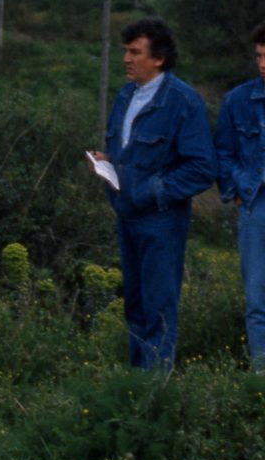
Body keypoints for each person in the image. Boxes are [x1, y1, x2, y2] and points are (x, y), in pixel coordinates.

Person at [91, 19, 217, 371]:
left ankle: (155, 390)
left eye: (135, 52)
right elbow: (128, 152)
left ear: (158, 58)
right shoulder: (126, 95)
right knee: (135, 306)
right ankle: (136, 384)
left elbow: (202, 168)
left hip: (162, 221)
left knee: (159, 307)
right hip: (127, 215)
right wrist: (106, 162)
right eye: (125, 51)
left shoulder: (182, 101)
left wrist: (153, 190)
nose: (126, 59)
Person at [214, 21, 265, 373]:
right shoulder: (237, 101)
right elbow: (223, 151)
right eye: (259, 56)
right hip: (255, 203)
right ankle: (261, 376)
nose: (262, 64)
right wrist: (235, 189)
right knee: (257, 298)